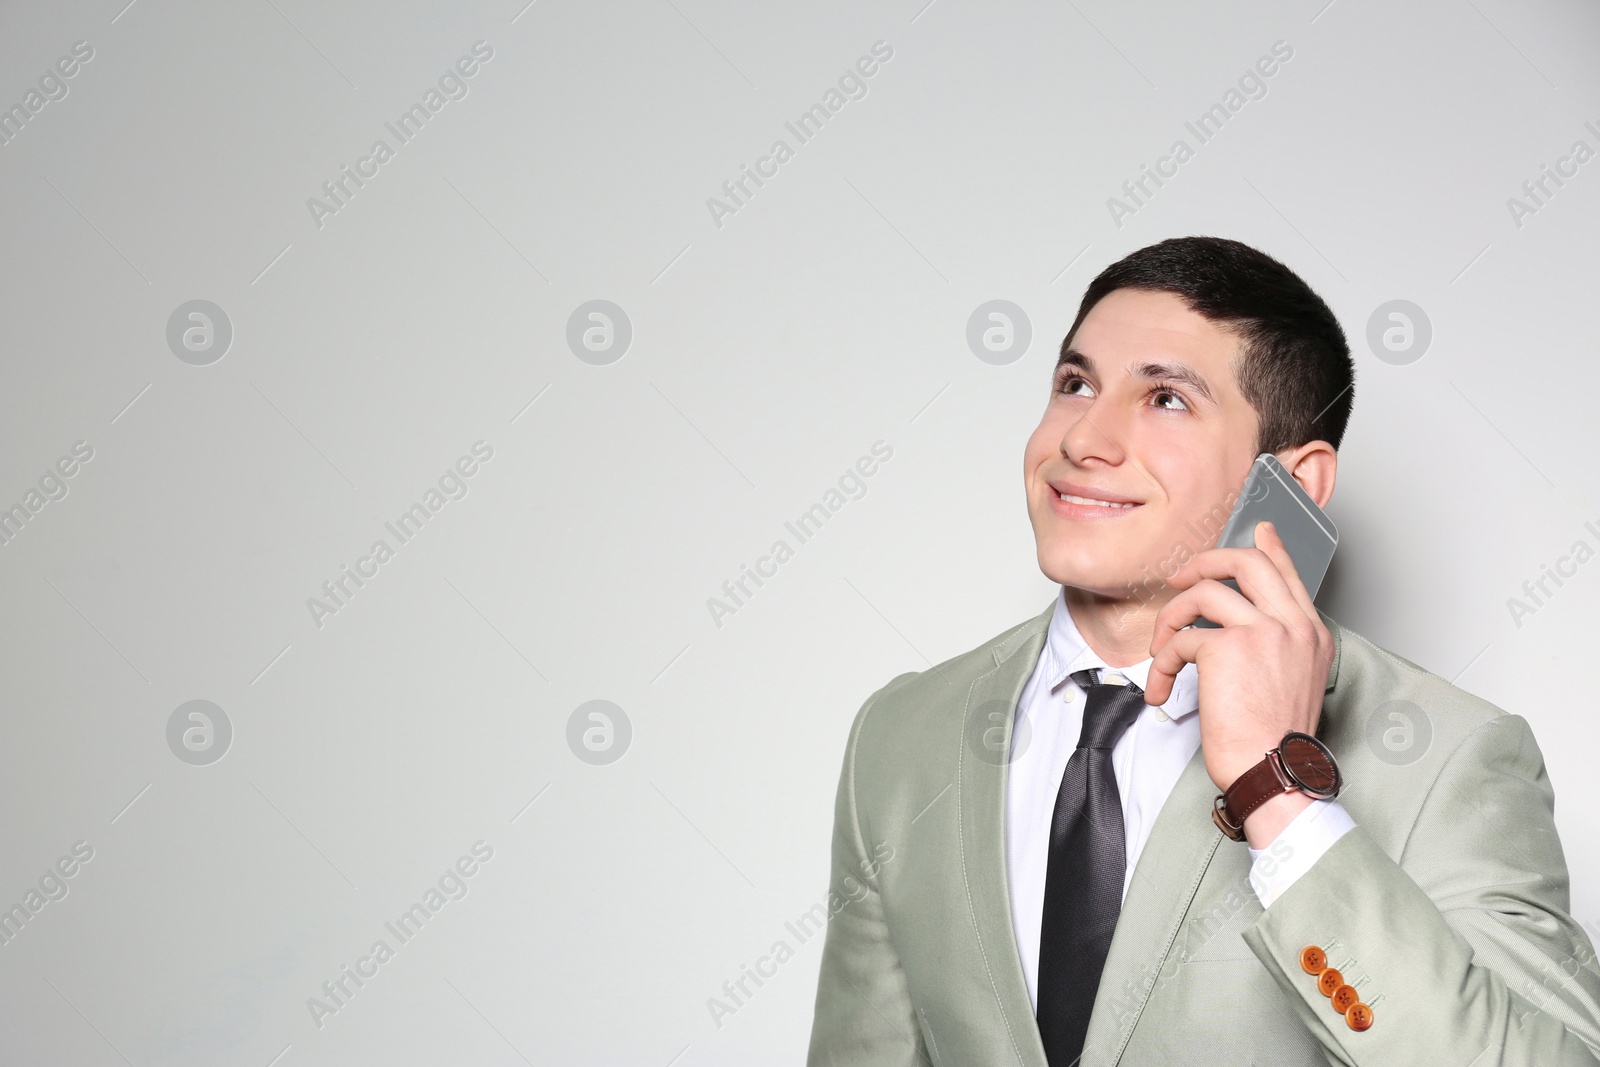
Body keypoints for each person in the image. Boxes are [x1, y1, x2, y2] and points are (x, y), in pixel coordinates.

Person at [805, 236, 1600, 1066]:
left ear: (1296, 481)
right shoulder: (902, 733)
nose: (1084, 439)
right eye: (1076, 384)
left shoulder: (1452, 758)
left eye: (1166, 399)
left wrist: (1281, 789)